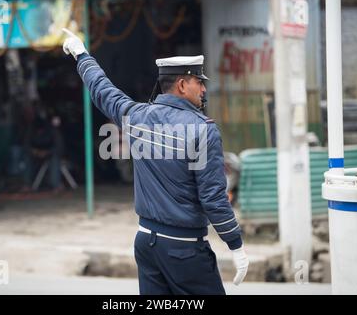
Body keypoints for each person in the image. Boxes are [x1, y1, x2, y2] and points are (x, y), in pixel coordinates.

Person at [62, 29, 249, 295]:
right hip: (184, 250)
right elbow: (213, 197)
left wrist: (82, 55)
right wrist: (236, 244)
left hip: (146, 245)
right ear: (183, 85)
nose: (204, 88)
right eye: (199, 81)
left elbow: (102, 90)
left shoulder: (137, 117)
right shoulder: (202, 130)